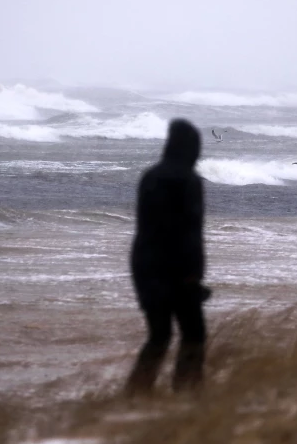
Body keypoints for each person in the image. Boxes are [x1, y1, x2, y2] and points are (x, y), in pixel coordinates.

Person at [125, 119, 210, 396]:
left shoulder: (150, 176)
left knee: (159, 335)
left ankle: (136, 394)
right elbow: (190, 231)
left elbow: (151, 226)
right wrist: (193, 275)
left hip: (144, 264)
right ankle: (186, 392)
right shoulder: (189, 180)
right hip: (176, 269)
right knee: (194, 334)